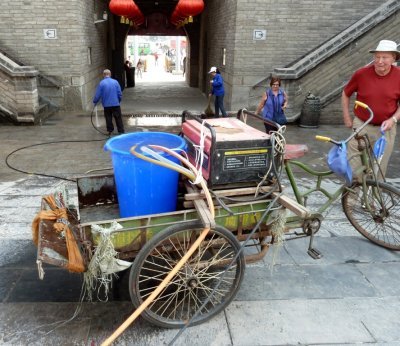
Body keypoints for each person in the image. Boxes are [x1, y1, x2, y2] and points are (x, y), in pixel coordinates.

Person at [342, 39, 400, 180]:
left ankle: (373, 201)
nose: (380, 61)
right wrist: (347, 117)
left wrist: (393, 119)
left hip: (386, 128)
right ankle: (351, 200)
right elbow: (345, 93)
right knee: (354, 169)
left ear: (394, 58)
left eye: (384, 57)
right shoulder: (361, 74)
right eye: (377, 57)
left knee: (378, 171)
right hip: (361, 124)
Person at [93, 69, 125, 136]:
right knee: (118, 118)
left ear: (103, 75)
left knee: (108, 118)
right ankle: (121, 131)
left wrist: (95, 101)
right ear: (110, 74)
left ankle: (110, 131)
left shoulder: (101, 83)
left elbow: (98, 94)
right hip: (115, 104)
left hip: (107, 105)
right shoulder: (115, 82)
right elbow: (119, 93)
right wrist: (118, 101)